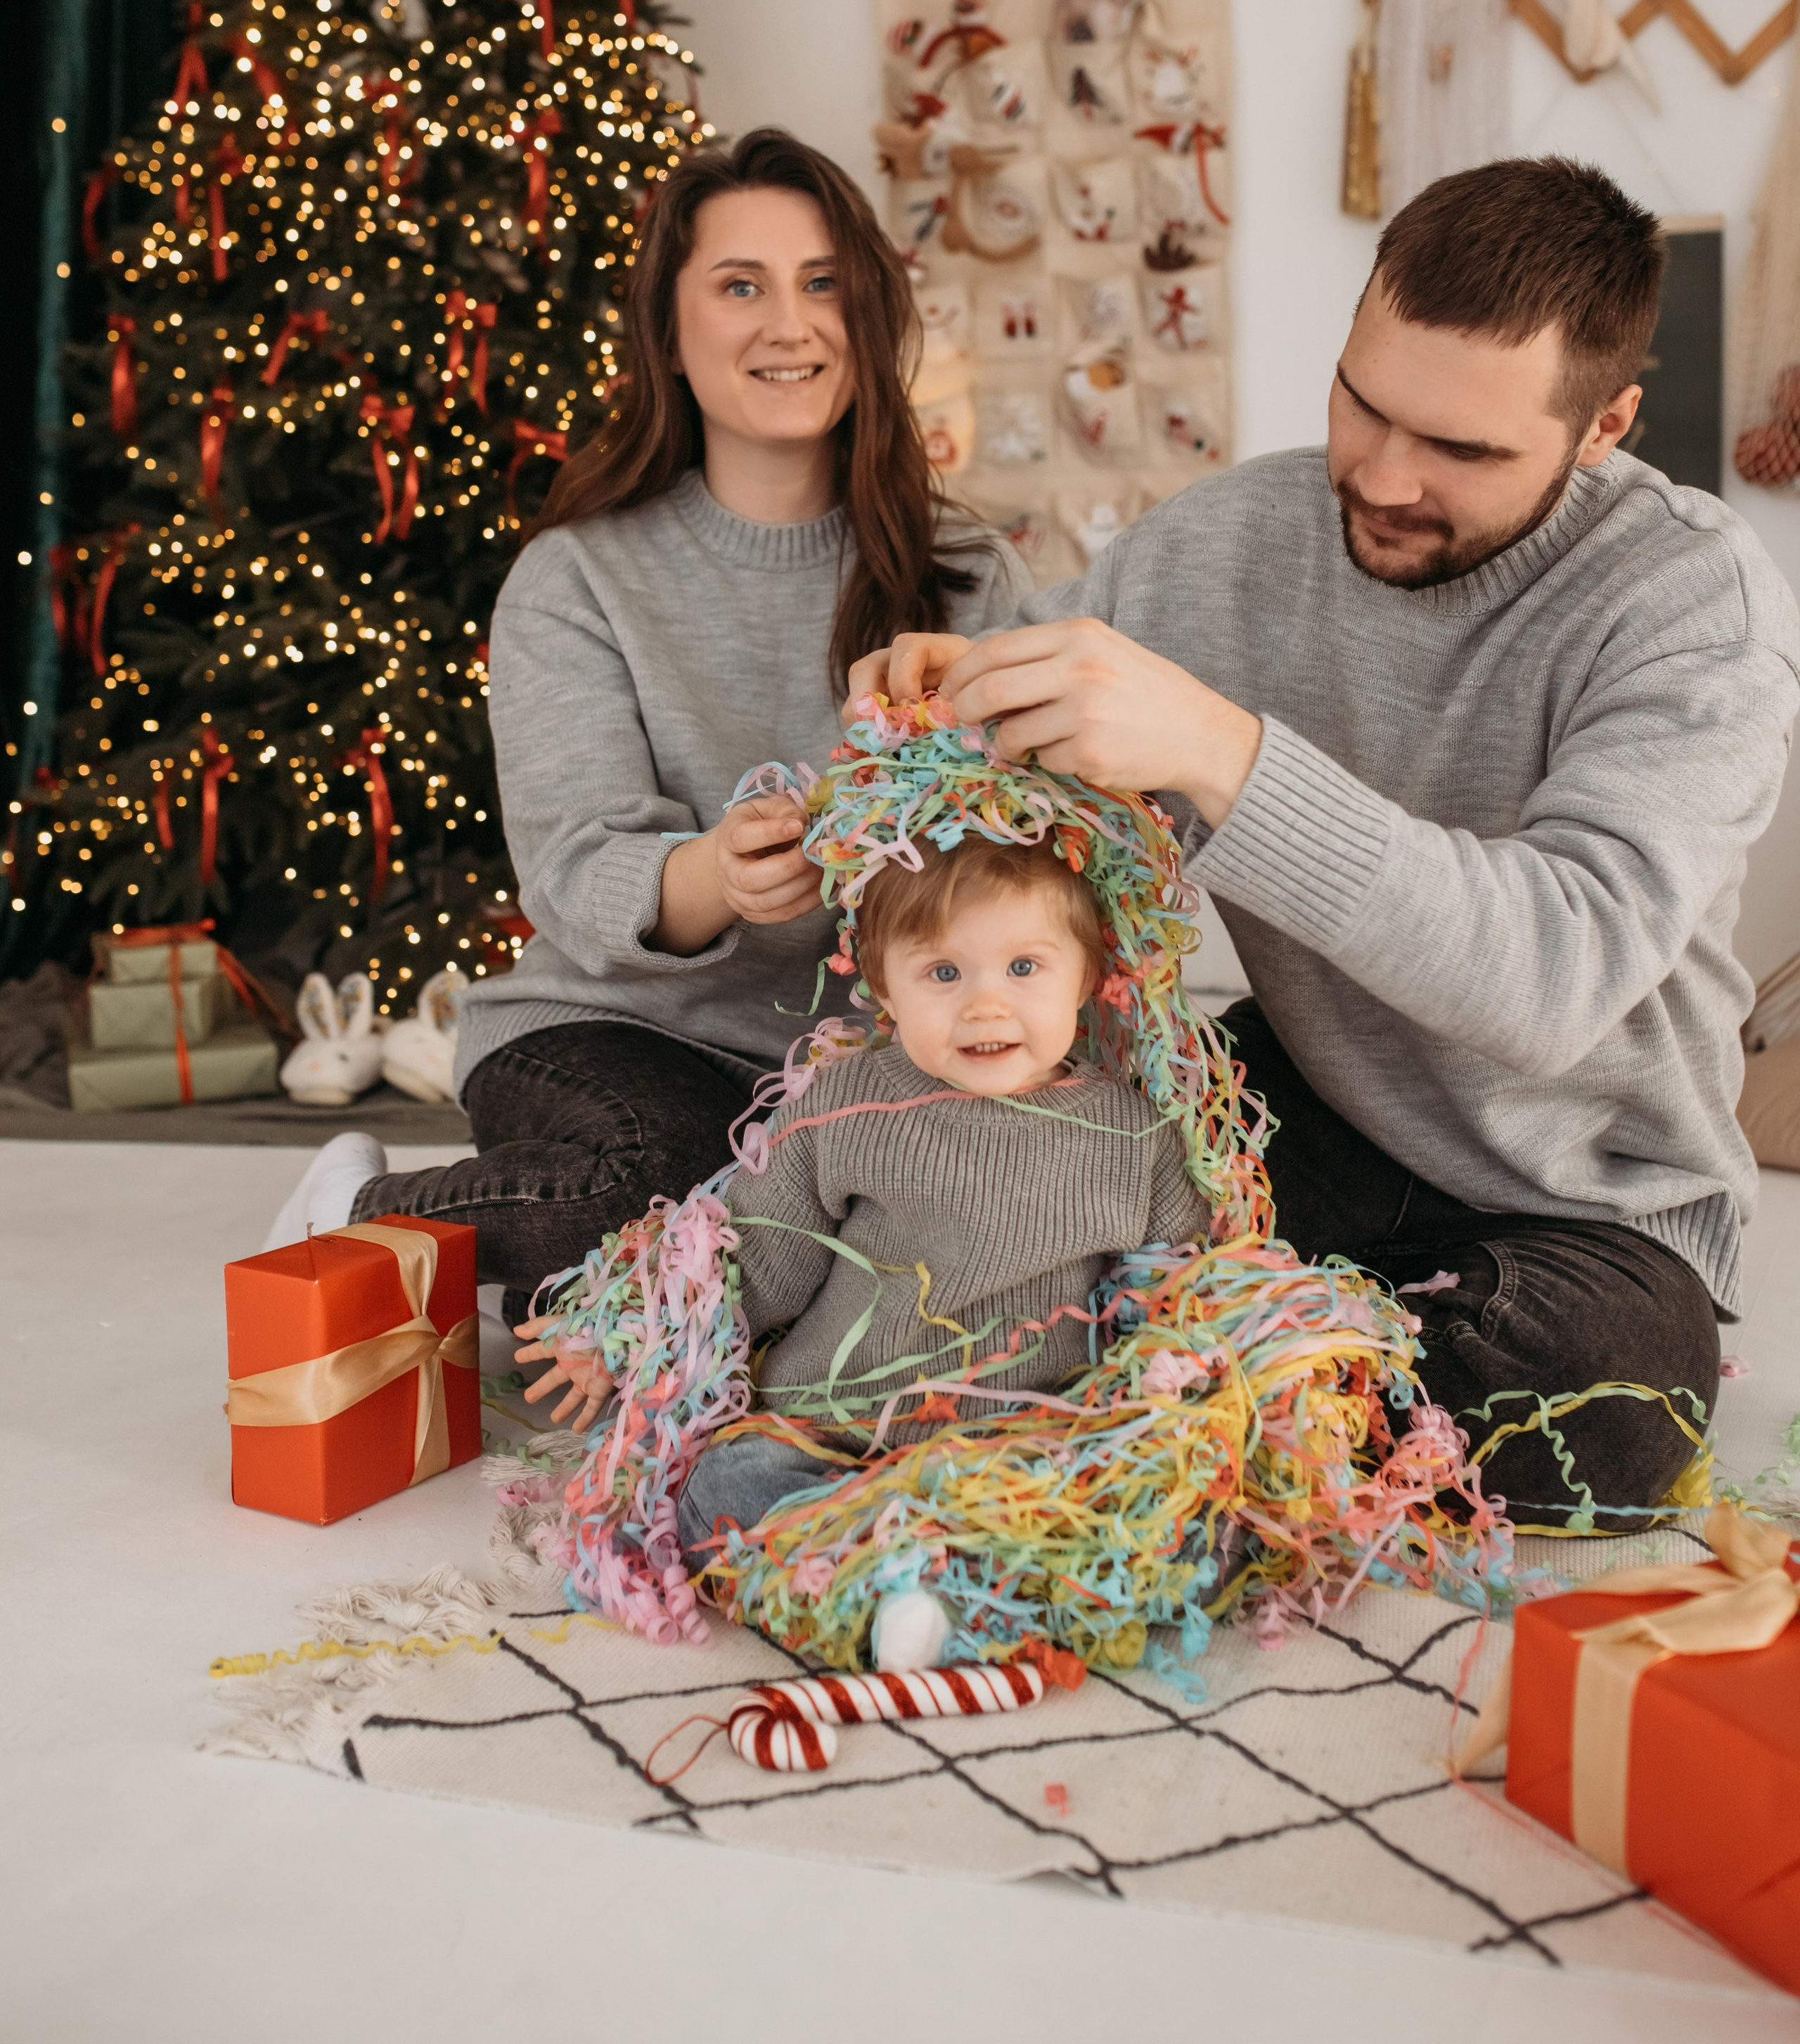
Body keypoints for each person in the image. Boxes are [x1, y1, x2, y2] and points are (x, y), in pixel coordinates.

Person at [853, 157, 1800, 1524]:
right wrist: (959, 702)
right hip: (1295, 1115)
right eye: (1363, 403)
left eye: (1463, 450)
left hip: (1582, 1195)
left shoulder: (1690, 600)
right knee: (962, 1180)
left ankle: (1143, 1387)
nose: (1384, 475)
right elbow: (1026, 751)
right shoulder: (1225, 537)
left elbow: (1551, 980)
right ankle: (1205, 1374)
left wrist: (1219, 752)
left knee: (1603, 1421)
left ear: (1604, 428)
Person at [263, 128, 1021, 1311]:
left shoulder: (970, 575)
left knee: (997, 1204)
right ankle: (356, 1214)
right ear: (670, 336)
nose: (791, 324)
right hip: (621, 1034)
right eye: (740, 287)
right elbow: (575, 870)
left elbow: (1048, 850)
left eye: (824, 284)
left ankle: (608, 1301)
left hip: (876, 1058)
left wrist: (982, 736)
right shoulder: (576, 578)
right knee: (660, 1190)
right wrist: (718, 873)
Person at [519, 828, 1212, 1671]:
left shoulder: (1131, 1133)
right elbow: (753, 1261)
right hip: (835, 1434)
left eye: (1024, 969)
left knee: (1189, 1523)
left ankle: (931, 1590)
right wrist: (628, 1332)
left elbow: (1179, 1291)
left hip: (1021, 1445)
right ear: (884, 984)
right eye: (943, 974)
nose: (985, 1006)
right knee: (720, 1494)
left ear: (1090, 977)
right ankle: (907, 1591)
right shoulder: (846, 1109)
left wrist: (1177, 1392)